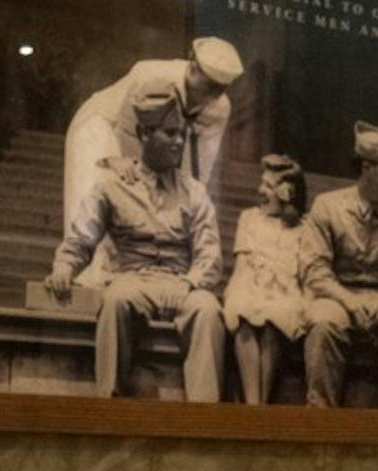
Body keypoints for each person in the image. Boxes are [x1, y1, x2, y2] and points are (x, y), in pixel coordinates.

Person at [46, 79, 226, 401]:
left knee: (208, 309)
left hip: (180, 282)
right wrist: (64, 267)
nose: (178, 142)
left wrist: (191, 283)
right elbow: (82, 237)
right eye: (169, 134)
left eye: (182, 135)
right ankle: (110, 402)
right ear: (144, 135)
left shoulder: (194, 192)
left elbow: (209, 254)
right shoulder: (113, 186)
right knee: (115, 301)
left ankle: (205, 414)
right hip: (131, 278)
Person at [62, 37, 244, 287]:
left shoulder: (220, 107)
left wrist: (187, 196)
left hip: (152, 137)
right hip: (101, 127)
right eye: (209, 85)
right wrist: (123, 163)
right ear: (192, 66)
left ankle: (119, 281)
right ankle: (84, 280)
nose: (211, 95)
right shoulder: (151, 74)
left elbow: (202, 160)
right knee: (109, 190)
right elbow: (129, 129)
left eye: (219, 89)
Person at [299, 121, 378, 406]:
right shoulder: (327, 207)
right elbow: (314, 270)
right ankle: (320, 418)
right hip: (338, 297)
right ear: (367, 168)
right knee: (322, 321)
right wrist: (349, 301)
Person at [224, 154, 309, 405]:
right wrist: (234, 292)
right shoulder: (249, 219)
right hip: (252, 282)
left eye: (269, 186)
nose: (261, 190)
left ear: (288, 192)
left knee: (276, 318)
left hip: (286, 290)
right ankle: (254, 405)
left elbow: (304, 273)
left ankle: (261, 404)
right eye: (262, 183)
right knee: (242, 310)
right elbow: (241, 267)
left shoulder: (304, 228)